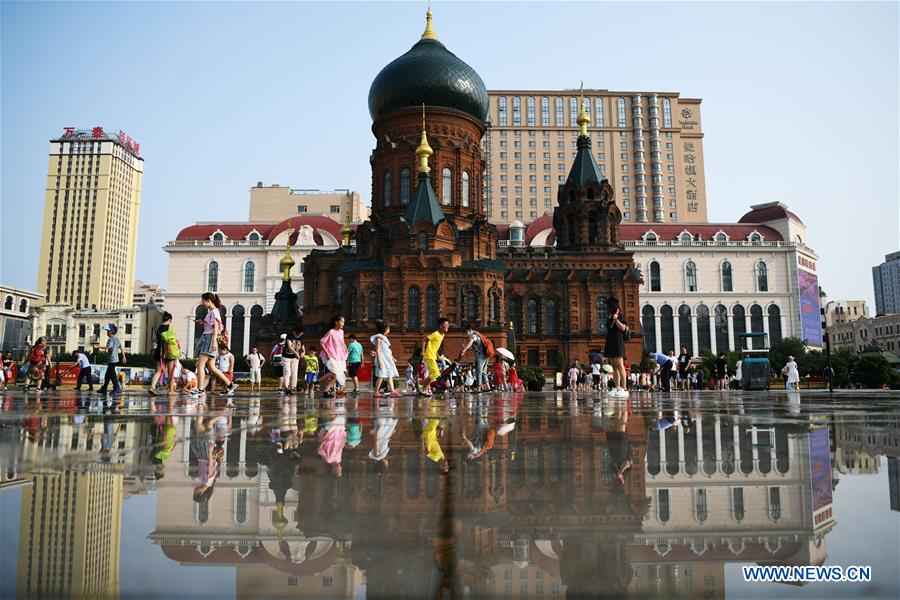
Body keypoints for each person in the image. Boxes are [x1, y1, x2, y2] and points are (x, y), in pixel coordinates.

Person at [192, 292, 237, 397]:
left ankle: (200, 388)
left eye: (203, 300)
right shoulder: (212, 312)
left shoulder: (214, 312)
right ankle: (230, 385)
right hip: (210, 338)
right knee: (212, 368)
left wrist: (213, 342)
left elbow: (216, 327)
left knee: (200, 364)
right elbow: (212, 326)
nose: (202, 303)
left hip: (209, 339)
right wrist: (202, 322)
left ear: (208, 300)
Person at [604, 298, 629, 397]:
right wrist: (612, 318)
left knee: (620, 365)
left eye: (608, 307)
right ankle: (617, 387)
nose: (607, 309)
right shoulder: (609, 317)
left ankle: (624, 388)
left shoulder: (620, 316)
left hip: (618, 342)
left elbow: (623, 328)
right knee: (614, 365)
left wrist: (616, 319)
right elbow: (609, 327)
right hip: (610, 341)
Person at [457, 322, 490, 393]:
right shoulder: (479, 334)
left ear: (469, 330)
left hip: (480, 356)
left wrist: (464, 350)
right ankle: (487, 387)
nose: (466, 333)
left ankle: (478, 388)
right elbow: (476, 347)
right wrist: (467, 348)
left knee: (479, 372)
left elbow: (470, 343)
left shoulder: (473, 335)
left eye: (466, 331)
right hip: (486, 355)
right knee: (484, 372)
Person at [420, 317, 450, 396]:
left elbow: (434, 346)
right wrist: (422, 351)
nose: (448, 326)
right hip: (429, 356)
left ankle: (423, 389)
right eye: (446, 325)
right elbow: (424, 339)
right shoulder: (436, 334)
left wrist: (437, 355)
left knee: (434, 374)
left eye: (448, 325)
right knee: (435, 374)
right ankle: (421, 384)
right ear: (441, 326)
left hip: (433, 356)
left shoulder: (442, 335)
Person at [320, 315, 349, 396]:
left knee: (337, 374)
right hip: (330, 355)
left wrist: (345, 348)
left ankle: (324, 388)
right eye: (342, 321)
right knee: (336, 373)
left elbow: (342, 342)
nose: (343, 323)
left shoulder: (341, 332)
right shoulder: (331, 332)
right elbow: (322, 342)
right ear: (336, 322)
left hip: (339, 356)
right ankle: (320, 383)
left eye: (344, 322)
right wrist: (327, 353)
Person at [371, 320, 400, 398]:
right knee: (381, 375)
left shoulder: (384, 338)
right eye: (388, 328)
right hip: (382, 360)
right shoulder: (378, 338)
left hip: (387, 360)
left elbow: (387, 350)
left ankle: (393, 391)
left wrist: (392, 357)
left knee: (389, 374)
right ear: (385, 329)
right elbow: (378, 350)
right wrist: (380, 361)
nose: (389, 330)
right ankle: (376, 391)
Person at [148, 312, 174, 396]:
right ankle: (170, 391)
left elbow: (158, 339)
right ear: (170, 320)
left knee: (158, 371)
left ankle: (152, 387)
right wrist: (168, 351)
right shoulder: (169, 327)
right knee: (171, 372)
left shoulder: (158, 328)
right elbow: (169, 340)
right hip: (168, 351)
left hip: (159, 351)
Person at [97, 324, 126, 394]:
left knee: (112, 374)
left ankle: (117, 387)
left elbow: (107, 347)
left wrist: (98, 347)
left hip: (112, 360)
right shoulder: (117, 339)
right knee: (108, 375)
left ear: (111, 332)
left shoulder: (111, 339)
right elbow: (121, 348)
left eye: (108, 331)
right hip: (115, 359)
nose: (107, 332)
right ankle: (104, 387)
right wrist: (124, 357)